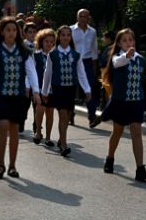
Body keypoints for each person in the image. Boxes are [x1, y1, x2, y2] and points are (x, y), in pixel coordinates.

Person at [0, 16, 41, 179]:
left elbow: (31, 71)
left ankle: (12, 165)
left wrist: (36, 91)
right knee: (3, 125)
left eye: (14, 30)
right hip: (1, 96)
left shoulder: (24, 52)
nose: (11, 33)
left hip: (18, 95)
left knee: (14, 129)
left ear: (18, 32)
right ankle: (0, 163)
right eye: (8, 30)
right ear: (2, 32)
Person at [100, 29, 146, 182]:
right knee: (117, 132)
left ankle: (140, 168)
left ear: (134, 42)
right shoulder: (117, 58)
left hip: (136, 101)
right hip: (121, 102)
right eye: (125, 40)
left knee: (136, 132)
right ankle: (110, 158)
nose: (128, 42)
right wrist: (126, 56)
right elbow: (118, 62)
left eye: (130, 40)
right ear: (119, 44)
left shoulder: (141, 59)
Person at [41, 25, 91, 157]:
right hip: (58, 88)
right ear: (59, 37)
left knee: (67, 116)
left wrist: (87, 89)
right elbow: (48, 73)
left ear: (70, 37)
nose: (65, 37)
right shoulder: (53, 54)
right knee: (63, 115)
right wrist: (44, 91)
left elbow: (81, 73)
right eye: (63, 35)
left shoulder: (76, 54)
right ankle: (64, 145)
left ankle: (61, 139)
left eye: (68, 35)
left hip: (71, 88)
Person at [70, 9, 99, 126]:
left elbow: (94, 49)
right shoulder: (71, 30)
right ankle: (70, 114)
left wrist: (95, 67)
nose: (83, 18)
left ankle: (92, 116)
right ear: (77, 17)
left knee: (89, 89)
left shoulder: (92, 32)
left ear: (88, 18)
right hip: (73, 61)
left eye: (85, 16)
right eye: (81, 16)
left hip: (87, 62)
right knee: (71, 89)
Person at [32, 28, 56, 146]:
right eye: (47, 41)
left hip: (52, 89)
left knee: (50, 112)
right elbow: (32, 71)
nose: (49, 44)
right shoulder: (36, 55)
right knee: (39, 110)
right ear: (41, 42)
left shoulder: (56, 56)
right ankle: (37, 132)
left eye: (52, 42)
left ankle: (48, 137)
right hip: (40, 88)